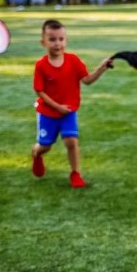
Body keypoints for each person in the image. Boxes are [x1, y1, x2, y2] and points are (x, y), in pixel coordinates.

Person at [31, 20, 112, 188]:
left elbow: (87, 80)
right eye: (52, 39)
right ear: (43, 42)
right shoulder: (41, 65)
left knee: (71, 142)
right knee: (45, 146)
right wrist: (57, 107)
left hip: (68, 112)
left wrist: (102, 68)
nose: (57, 43)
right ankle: (36, 154)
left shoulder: (73, 61)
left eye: (61, 39)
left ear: (66, 40)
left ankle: (75, 173)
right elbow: (40, 91)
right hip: (48, 113)